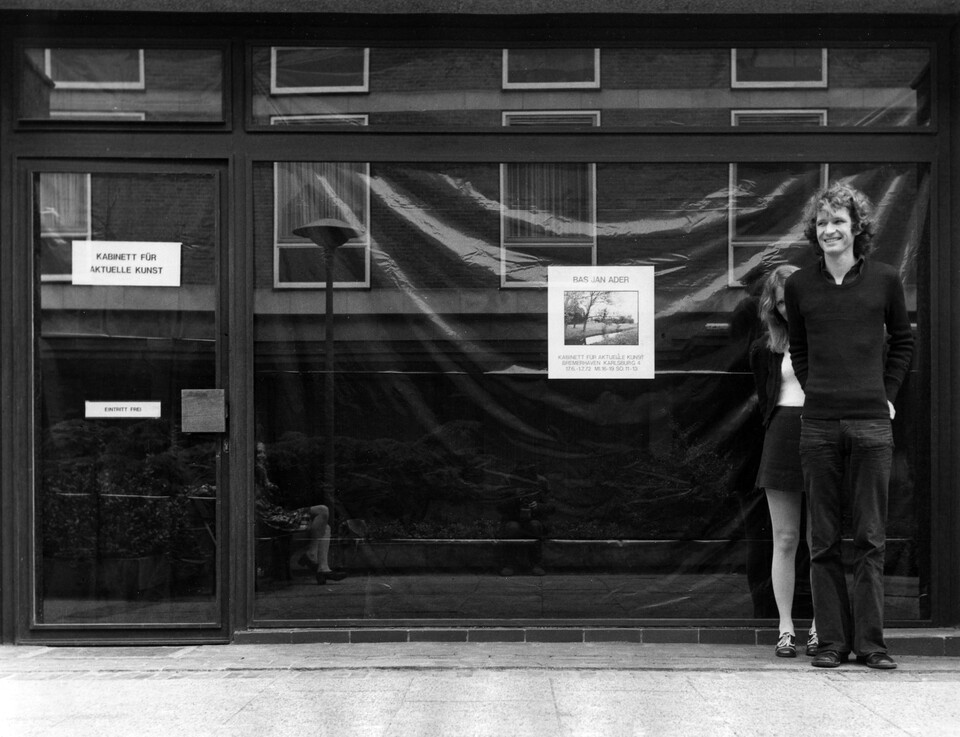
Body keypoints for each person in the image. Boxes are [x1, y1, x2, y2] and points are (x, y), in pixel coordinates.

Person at [784, 182, 914, 670]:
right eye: (821, 223)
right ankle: (832, 644)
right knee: (822, 542)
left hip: (871, 425)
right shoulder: (799, 286)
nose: (828, 230)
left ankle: (872, 645)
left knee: (870, 539)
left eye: (838, 221)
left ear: (858, 227)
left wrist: (886, 394)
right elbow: (797, 346)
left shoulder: (885, 279)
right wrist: (817, 387)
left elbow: (902, 342)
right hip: (817, 424)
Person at [750, 264, 817, 658]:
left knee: (819, 539)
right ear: (773, 307)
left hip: (822, 433)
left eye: (793, 301)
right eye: (781, 304)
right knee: (786, 538)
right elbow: (766, 399)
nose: (789, 310)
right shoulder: (768, 346)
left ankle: (820, 626)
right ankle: (786, 627)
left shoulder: (826, 335)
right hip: (783, 434)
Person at [254, 441, 346, 585]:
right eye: (259, 452)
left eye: (263, 452)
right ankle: (311, 554)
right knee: (323, 511)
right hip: (269, 518)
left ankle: (323, 568)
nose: (262, 456)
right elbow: (262, 495)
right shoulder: (254, 471)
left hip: (275, 514)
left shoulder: (262, 471)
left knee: (325, 527)